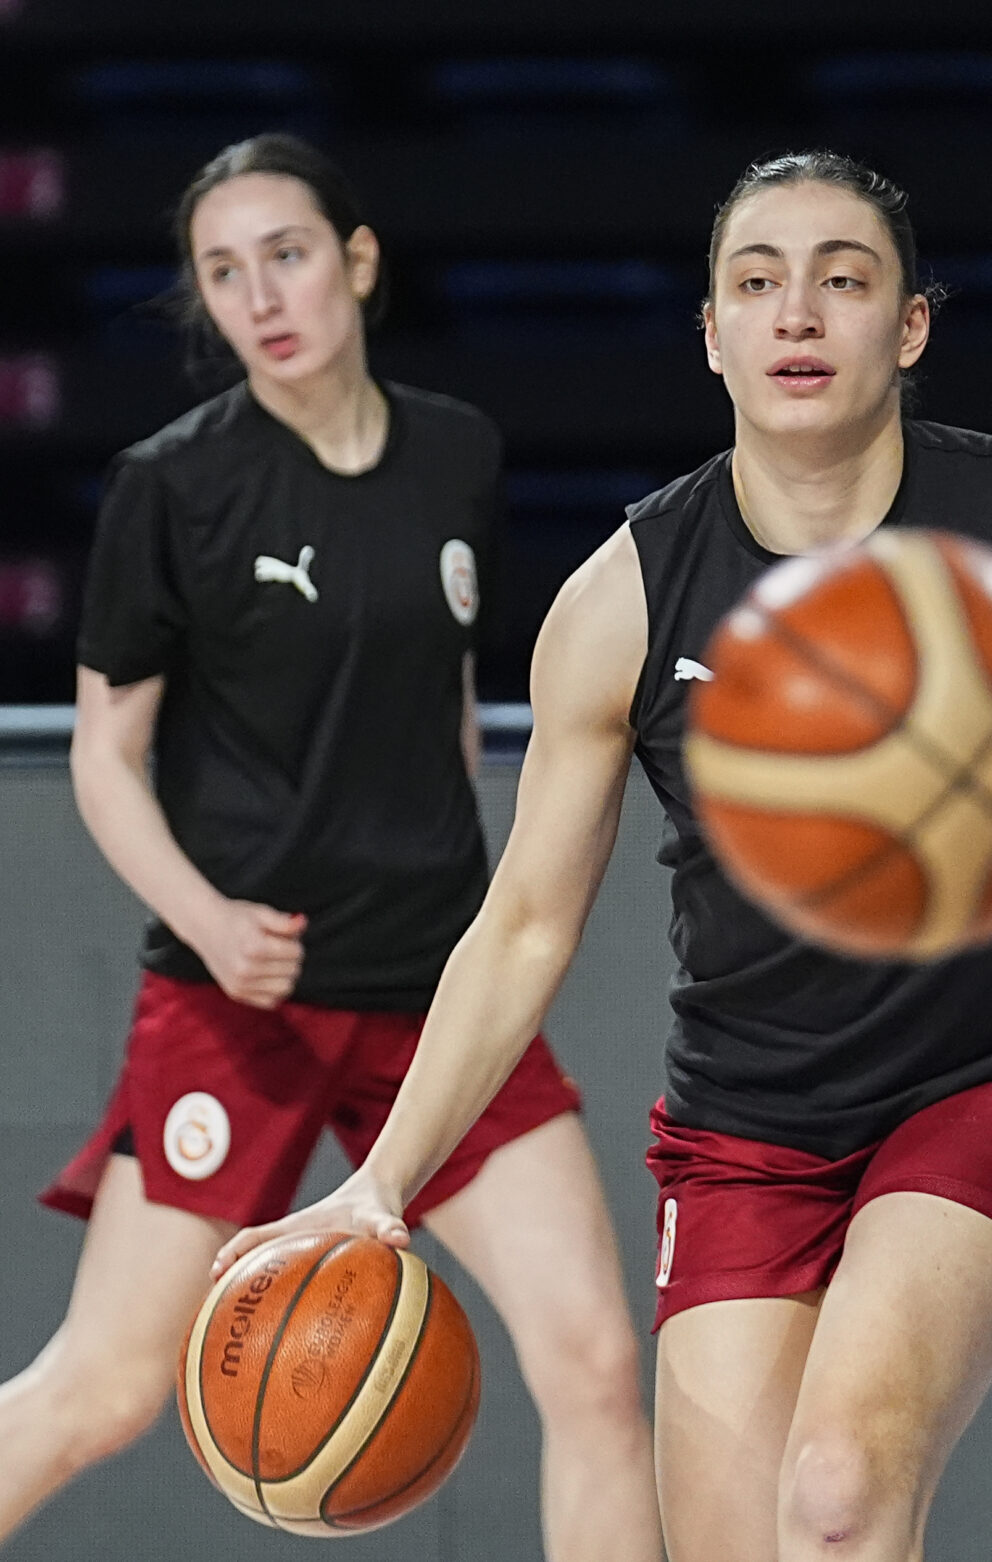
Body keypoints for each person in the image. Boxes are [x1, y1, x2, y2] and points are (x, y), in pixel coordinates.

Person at [213, 150, 992, 1562]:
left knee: (835, 1492)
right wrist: (381, 1181)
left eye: (845, 280)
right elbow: (524, 923)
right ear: (711, 334)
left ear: (911, 325)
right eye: (758, 283)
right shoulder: (624, 599)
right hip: (751, 1128)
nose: (798, 314)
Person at [0, 135, 663, 1562]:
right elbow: (106, 757)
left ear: (357, 262)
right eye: (222, 272)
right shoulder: (172, 485)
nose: (260, 296)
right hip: (240, 1005)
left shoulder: (458, 452)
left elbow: (448, 705)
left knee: (601, 1369)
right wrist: (208, 915)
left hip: (438, 998)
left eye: (287, 255)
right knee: (104, 1390)